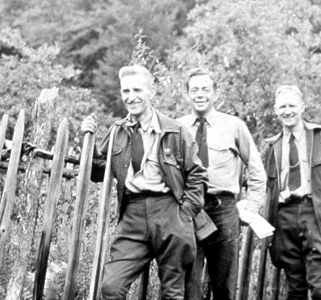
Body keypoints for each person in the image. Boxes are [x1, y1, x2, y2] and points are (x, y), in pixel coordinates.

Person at [81, 65, 209, 299]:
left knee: (173, 292)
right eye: (125, 91)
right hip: (134, 214)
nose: (131, 97)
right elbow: (98, 173)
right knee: (112, 286)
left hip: (170, 211)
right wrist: (89, 144)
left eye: (137, 90)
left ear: (151, 91)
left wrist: (186, 213)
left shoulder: (175, 130)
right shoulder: (118, 131)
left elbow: (197, 174)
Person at [177, 67, 266, 300]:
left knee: (224, 283)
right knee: (189, 281)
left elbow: (256, 168)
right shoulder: (178, 127)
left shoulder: (233, 125)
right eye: (194, 90)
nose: (200, 94)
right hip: (190, 210)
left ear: (215, 93)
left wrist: (254, 205)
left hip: (223, 209)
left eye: (205, 89)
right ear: (187, 94)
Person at [263, 84, 321, 300]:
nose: (287, 111)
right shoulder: (272, 146)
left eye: (292, 105)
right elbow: (265, 186)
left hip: (315, 213)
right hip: (284, 217)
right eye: (282, 106)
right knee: (295, 287)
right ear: (275, 109)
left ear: (302, 107)